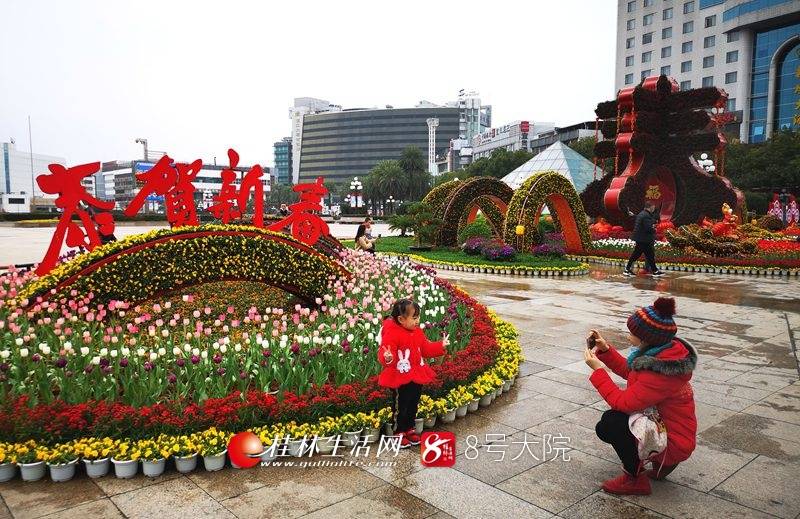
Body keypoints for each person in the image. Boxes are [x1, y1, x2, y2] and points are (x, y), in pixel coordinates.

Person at [584, 297, 697, 496]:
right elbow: (632, 372)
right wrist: (606, 350)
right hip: (674, 432)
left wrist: (599, 372)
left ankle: (634, 479)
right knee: (613, 421)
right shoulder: (663, 355)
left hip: (673, 441)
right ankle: (664, 463)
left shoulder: (659, 371)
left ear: (646, 338)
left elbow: (622, 403)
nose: (629, 336)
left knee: (611, 423)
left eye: (632, 333)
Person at [377, 299, 448, 448]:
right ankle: (398, 432)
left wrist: (440, 345)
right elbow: (385, 353)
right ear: (401, 319)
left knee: (413, 403)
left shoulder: (417, 332)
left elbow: (426, 349)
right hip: (399, 377)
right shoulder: (392, 333)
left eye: (418, 317)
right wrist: (388, 358)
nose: (417, 321)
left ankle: (409, 428)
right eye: (414, 318)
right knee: (400, 406)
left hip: (416, 374)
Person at [624, 203, 662, 276]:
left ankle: (655, 271)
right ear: (650, 207)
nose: (653, 209)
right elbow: (648, 228)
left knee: (650, 255)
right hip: (643, 239)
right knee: (636, 255)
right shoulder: (646, 216)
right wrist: (654, 229)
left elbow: (642, 222)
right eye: (653, 207)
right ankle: (627, 270)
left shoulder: (642, 213)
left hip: (642, 239)